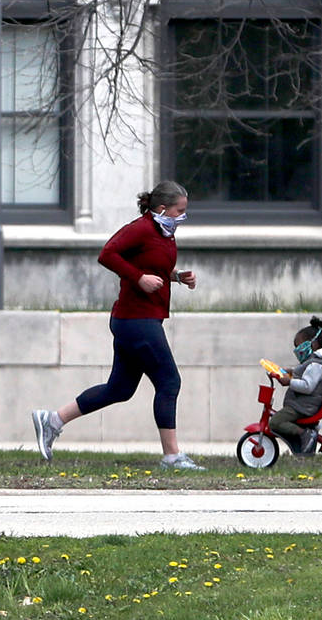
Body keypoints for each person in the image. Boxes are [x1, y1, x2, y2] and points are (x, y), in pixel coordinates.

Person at [30, 180, 203, 470]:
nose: (182, 216)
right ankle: (172, 456)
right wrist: (138, 278)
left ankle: (52, 420)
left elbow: (152, 265)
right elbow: (107, 254)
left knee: (119, 389)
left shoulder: (164, 232)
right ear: (162, 208)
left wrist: (176, 276)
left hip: (136, 320)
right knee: (169, 381)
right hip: (136, 320)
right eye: (179, 210)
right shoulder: (141, 228)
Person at [266, 316, 322, 455]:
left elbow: (308, 386)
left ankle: (305, 434)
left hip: (303, 407)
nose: (297, 350)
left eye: (299, 346)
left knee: (275, 422)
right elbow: (305, 375)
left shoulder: (316, 364)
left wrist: (289, 382)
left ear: (314, 345)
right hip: (303, 405)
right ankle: (303, 441)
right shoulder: (313, 362)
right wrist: (292, 372)